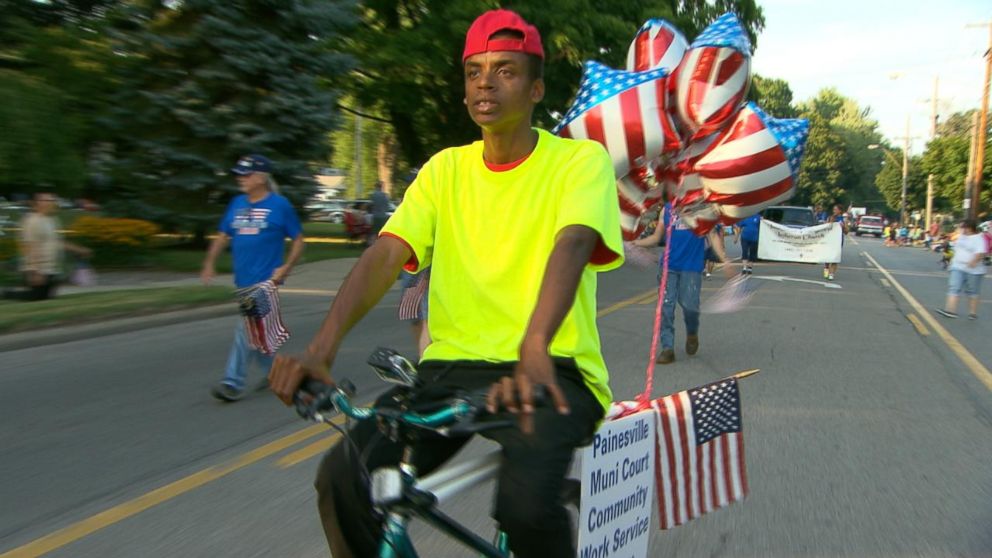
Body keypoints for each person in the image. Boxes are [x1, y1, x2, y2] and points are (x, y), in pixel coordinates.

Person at [267, 10, 623, 558]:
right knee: (342, 479)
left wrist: (534, 348)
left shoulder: (579, 161)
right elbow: (386, 254)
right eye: (474, 71)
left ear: (536, 89)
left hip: (551, 371)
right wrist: (320, 351)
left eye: (505, 70)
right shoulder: (443, 171)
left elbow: (572, 243)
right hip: (450, 374)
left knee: (526, 507)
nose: (485, 81)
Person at [201, 154, 305, 402]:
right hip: (243, 280)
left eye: (246, 175)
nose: (241, 179)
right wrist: (209, 263)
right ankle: (277, 374)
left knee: (246, 329)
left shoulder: (280, 206)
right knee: (256, 334)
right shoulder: (236, 203)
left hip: (265, 281)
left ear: (261, 177)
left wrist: (286, 268)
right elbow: (223, 236)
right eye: (239, 174)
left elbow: (299, 241)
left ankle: (232, 383)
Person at [632, 203, 729, 364]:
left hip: (691, 267)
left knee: (690, 306)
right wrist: (636, 243)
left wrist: (725, 260)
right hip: (668, 266)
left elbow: (712, 236)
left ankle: (692, 332)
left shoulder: (702, 208)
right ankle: (667, 348)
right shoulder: (667, 209)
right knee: (666, 307)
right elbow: (656, 238)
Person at [4, 192, 91, 301]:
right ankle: (6, 294)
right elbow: (29, 246)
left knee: (46, 297)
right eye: (48, 201)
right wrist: (35, 271)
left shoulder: (51, 220)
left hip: (51, 269)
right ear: (38, 203)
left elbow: (57, 242)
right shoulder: (32, 221)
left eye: (53, 201)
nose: (52, 203)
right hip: (36, 269)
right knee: (35, 297)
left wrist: (79, 250)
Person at [936, 219, 987, 320]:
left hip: (973, 270)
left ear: (969, 228)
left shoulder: (978, 238)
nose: (960, 229)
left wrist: (973, 262)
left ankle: (972, 313)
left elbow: (981, 253)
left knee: (972, 291)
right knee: (954, 288)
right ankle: (950, 310)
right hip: (958, 266)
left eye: (962, 227)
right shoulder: (961, 237)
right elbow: (955, 248)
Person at [824, 204, 846, 281]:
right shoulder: (830, 217)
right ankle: (826, 269)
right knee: (828, 257)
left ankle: (831, 274)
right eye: (833, 209)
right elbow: (825, 228)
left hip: (839, 240)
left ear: (840, 211)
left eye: (836, 209)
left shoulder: (843, 219)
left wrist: (843, 227)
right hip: (830, 240)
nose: (834, 211)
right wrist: (830, 222)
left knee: (835, 257)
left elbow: (846, 232)